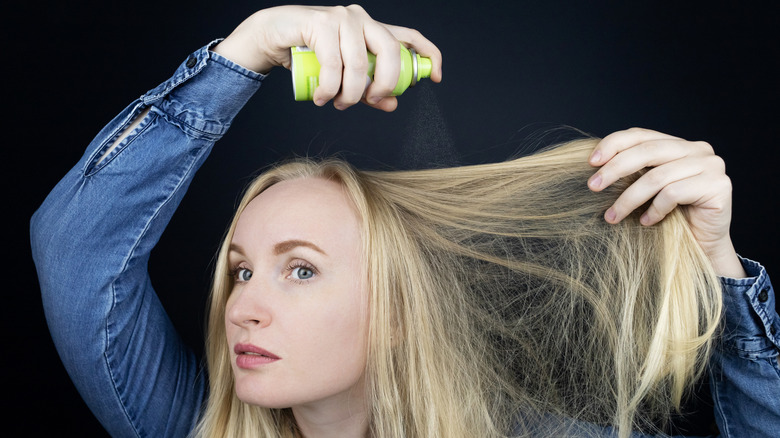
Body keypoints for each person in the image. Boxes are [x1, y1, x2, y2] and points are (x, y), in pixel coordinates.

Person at [30, 4, 778, 438]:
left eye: (301, 269)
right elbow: (75, 248)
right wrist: (249, 46)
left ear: (396, 312)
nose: (243, 308)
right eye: (241, 270)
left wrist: (718, 266)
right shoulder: (195, 424)